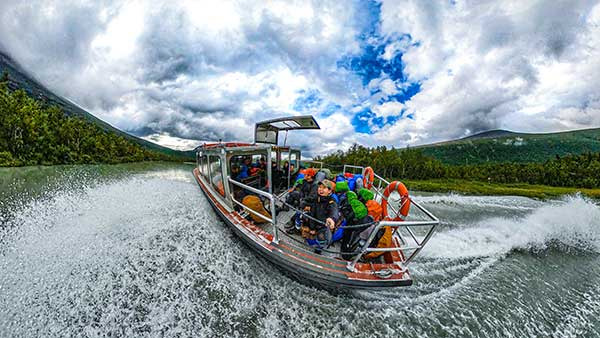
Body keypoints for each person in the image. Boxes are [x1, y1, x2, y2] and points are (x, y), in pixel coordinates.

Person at [301, 179, 339, 252]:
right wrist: (304, 206)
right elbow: (305, 200)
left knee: (322, 238)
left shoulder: (332, 201)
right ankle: (303, 231)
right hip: (312, 220)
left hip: (322, 225)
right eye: (320, 187)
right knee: (300, 214)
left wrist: (332, 219)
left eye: (324, 188)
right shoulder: (316, 197)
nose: (320, 189)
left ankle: (318, 249)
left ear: (329, 191)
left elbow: (334, 211)